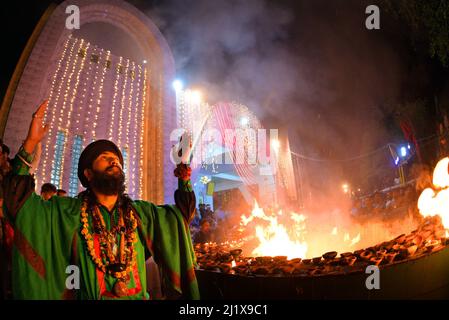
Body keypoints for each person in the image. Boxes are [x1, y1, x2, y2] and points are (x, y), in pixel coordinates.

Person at [2, 100, 199, 299]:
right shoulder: (68, 212)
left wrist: (184, 171)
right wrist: (29, 144)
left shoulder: (140, 214)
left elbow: (181, 215)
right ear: (88, 174)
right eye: (105, 157)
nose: (114, 160)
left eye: (117, 160)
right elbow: (19, 203)